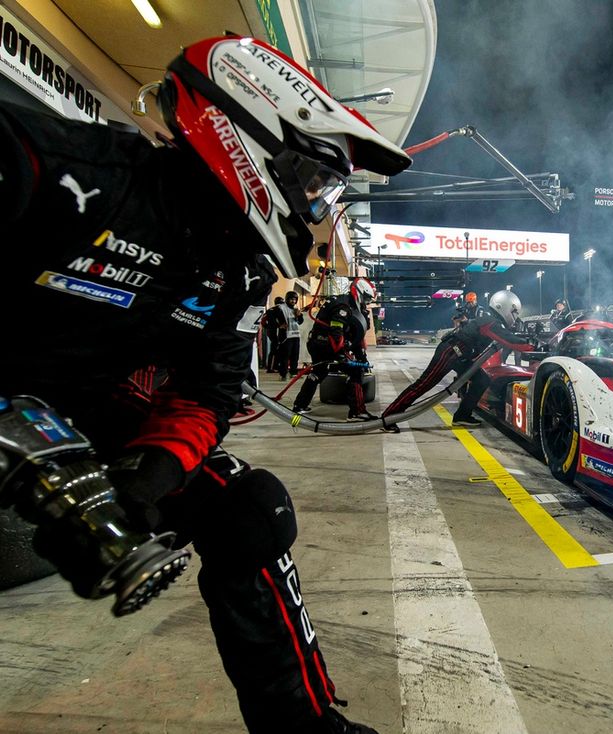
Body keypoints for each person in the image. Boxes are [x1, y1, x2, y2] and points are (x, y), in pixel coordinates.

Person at [0, 34, 411, 734]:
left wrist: (146, 481)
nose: (316, 209)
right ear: (247, 135)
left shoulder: (241, 270)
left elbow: (212, 388)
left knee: (250, 510)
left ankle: (303, 727)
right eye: (314, 182)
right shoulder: (59, 167)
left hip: (88, 401)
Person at [382, 290, 533, 431]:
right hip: (450, 352)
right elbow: (512, 341)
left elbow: (507, 337)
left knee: (482, 379)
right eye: (513, 312)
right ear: (503, 307)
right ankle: (388, 417)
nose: (514, 316)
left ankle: (462, 416)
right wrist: (534, 346)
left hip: (459, 355)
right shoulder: (490, 322)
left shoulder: (491, 320)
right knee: (422, 385)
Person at [292, 281, 373, 419]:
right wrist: (342, 354)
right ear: (359, 293)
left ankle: (300, 405)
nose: (366, 302)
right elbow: (337, 331)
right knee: (355, 371)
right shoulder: (344, 306)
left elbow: (355, 336)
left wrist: (361, 357)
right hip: (326, 345)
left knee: (318, 372)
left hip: (316, 343)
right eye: (366, 298)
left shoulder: (345, 301)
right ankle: (357, 412)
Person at [274, 290, 304, 379]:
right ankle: (283, 374)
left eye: (295, 299)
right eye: (291, 299)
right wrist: (279, 325)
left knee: (295, 355)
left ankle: (293, 372)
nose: (293, 301)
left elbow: (300, 322)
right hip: (286, 336)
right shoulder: (281, 308)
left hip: (295, 335)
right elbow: (270, 317)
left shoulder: (296, 308)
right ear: (287, 299)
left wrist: (299, 316)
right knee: (285, 356)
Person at [262, 296, 284, 373]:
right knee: (276, 349)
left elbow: (263, 321)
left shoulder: (269, 310)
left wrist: (267, 327)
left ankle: (272, 366)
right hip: (277, 331)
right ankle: (272, 367)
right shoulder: (280, 310)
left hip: (270, 331)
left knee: (274, 349)